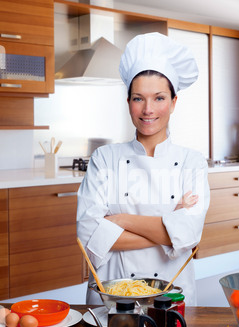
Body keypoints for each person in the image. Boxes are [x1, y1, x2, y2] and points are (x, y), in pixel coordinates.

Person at [77, 32, 210, 306]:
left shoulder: (192, 162)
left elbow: (188, 235)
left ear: (174, 102)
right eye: (138, 98)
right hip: (111, 296)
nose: (148, 109)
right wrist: (168, 229)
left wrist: (119, 221)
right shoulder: (104, 158)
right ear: (128, 102)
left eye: (159, 98)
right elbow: (89, 234)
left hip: (171, 296)